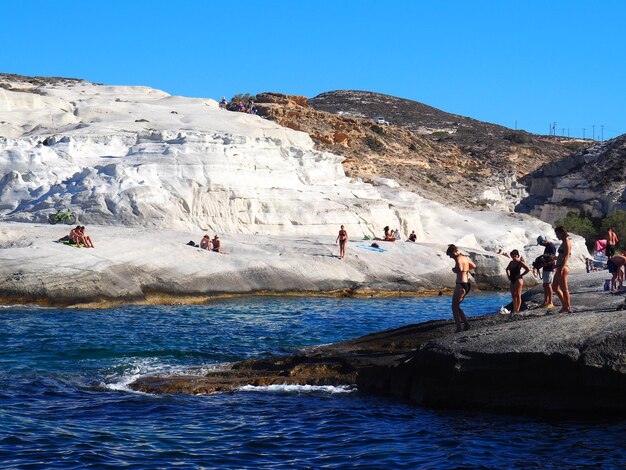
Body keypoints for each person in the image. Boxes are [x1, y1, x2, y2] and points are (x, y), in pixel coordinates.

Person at [446, 244, 476, 332]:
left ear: (454, 252)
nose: (450, 257)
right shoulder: (465, 258)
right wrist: (466, 270)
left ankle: (459, 328)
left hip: (460, 284)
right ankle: (466, 324)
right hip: (467, 284)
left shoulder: (458, 258)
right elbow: (473, 266)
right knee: (456, 306)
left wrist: (455, 270)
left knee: (454, 307)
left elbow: (459, 268)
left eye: (450, 255)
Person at [553, 226, 572, 313]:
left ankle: (567, 306)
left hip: (563, 267)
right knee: (555, 287)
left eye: (557, 234)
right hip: (559, 266)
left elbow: (566, 256)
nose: (557, 236)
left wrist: (560, 268)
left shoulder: (567, 242)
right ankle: (564, 305)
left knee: (564, 289)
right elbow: (561, 255)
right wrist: (555, 259)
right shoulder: (563, 242)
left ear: (562, 233)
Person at [537, 235, 557, 307]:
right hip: (546, 268)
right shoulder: (548, 246)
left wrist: (545, 263)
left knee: (548, 285)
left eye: (541, 243)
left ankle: (550, 302)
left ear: (543, 241)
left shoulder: (551, 246)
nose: (541, 245)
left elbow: (553, 258)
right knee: (545, 285)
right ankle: (545, 301)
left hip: (549, 268)